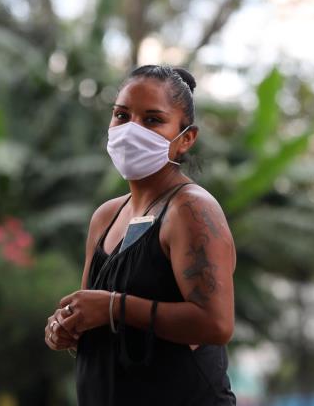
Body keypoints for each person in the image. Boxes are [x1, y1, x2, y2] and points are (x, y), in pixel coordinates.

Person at [44, 65, 237, 405]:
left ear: (186, 138)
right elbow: (95, 313)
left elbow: (216, 323)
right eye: (122, 115)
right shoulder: (106, 216)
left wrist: (114, 307)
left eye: (152, 120)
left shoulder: (191, 210)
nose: (131, 130)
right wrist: (67, 327)